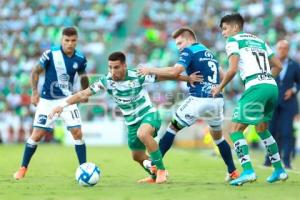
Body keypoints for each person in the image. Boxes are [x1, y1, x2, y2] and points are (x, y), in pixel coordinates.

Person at [49, 51, 201, 184]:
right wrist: (61, 105)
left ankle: (161, 170)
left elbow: (165, 77)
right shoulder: (106, 81)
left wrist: (188, 79)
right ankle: (153, 174)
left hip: (149, 115)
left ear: (124, 66)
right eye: (110, 67)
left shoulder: (138, 75)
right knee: (137, 156)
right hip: (132, 123)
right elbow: (83, 93)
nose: (112, 71)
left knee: (143, 134)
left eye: (116, 67)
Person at [138, 27, 240, 181]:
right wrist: (218, 89)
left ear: (189, 39)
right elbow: (224, 75)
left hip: (199, 99)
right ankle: (233, 172)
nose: (179, 47)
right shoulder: (210, 53)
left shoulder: (189, 51)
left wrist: (150, 69)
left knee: (172, 128)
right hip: (217, 100)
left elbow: (174, 72)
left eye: (180, 43)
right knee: (218, 138)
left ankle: (154, 167)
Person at [212, 13, 288, 186]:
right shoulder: (259, 41)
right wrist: (266, 80)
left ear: (236, 27)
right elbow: (279, 66)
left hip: (256, 87)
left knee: (235, 129)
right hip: (271, 86)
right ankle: (279, 170)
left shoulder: (233, 41)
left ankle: (247, 171)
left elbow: (231, 70)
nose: (223, 33)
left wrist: (219, 87)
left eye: (225, 28)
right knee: (262, 128)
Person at [14, 27, 89, 180]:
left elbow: (83, 76)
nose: (69, 43)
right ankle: (22, 168)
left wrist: (85, 91)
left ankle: (84, 169)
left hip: (67, 100)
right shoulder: (50, 54)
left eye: (73, 41)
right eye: (66, 40)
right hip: (47, 101)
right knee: (37, 135)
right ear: (61, 40)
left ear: (76, 41)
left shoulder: (80, 58)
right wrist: (34, 93)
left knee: (78, 133)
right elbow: (35, 71)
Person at [263, 40, 300, 169]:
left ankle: (286, 161)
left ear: (288, 50)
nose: (281, 50)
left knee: (286, 133)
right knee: (271, 132)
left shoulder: (295, 65)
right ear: (276, 49)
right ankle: (269, 159)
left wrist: (294, 90)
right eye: (279, 48)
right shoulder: (269, 64)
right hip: (272, 103)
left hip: (288, 104)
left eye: (284, 48)